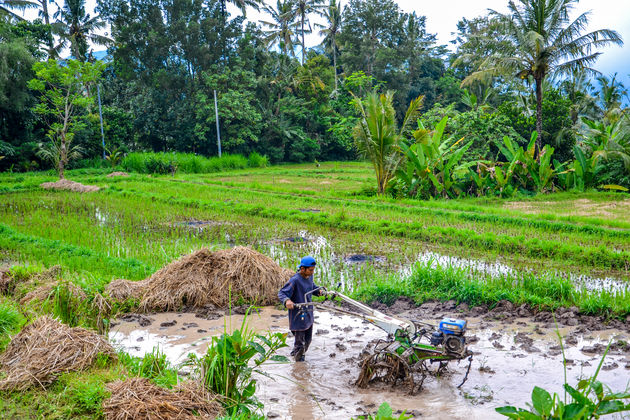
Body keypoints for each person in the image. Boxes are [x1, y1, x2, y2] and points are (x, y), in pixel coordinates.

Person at [278, 255, 326, 362]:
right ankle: (298, 366)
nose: (312, 272)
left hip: (308, 312)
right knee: (300, 343)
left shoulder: (309, 277)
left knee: (308, 340)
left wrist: (318, 291)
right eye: (310, 270)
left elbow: (311, 286)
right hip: (298, 315)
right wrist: (287, 301)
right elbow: (282, 293)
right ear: (302, 269)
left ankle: (296, 353)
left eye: (313, 270)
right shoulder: (295, 280)